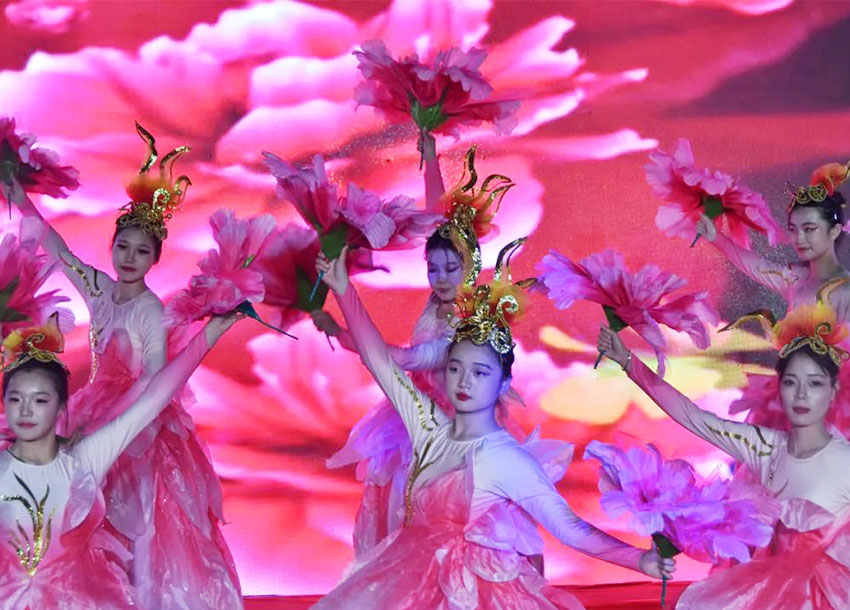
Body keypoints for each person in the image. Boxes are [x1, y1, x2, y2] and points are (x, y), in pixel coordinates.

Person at [310, 242, 673, 609]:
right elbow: (380, 361)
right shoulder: (427, 427)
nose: (464, 382)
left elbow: (571, 529)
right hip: (408, 582)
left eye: (480, 372)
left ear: (502, 382)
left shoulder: (504, 458)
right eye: (456, 369)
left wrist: (640, 560)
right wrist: (343, 290)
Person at [13, 123, 243, 609]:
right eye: (124, 247)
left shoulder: (149, 309)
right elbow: (58, 251)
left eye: (142, 251)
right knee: (87, 510)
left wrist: (114, 423)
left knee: (142, 521)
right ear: (113, 246)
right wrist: (18, 197)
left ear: (156, 258)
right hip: (96, 409)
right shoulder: (99, 290)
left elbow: (155, 378)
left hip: (141, 424)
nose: (130, 258)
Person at [311, 146, 521, 557]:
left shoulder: (467, 322)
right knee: (398, 515)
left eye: (451, 269)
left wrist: (342, 329)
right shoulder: (439, 298)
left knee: (442, 526)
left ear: (471, 267)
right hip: (416, 418)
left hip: (452, 432)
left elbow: (402, 360)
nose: (440, 278)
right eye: (433, 269)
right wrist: (430, 153)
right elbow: (439, 221)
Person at [598, 302, 850, 608]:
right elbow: (694, 417)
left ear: (833, 389)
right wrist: (628, 362)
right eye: (790, 382)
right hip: (766, 593)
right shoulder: (764, 446)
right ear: (779, 387)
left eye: (815, 383)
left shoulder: (845, 461)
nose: (801, 395)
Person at [0, 310, 239, 609]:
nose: (25, 410)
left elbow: (154, 398)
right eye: (15, 399)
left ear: (61, 407)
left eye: (39, 400)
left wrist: (212, 332)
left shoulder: (82, 460)